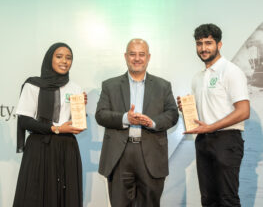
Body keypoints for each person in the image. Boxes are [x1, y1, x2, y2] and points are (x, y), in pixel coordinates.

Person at [95, 38, 178, 207]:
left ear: (148, 57)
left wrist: (152, 122)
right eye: (133, 54)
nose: (137, 58)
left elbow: (172, 114)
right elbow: (100, 114)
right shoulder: (110, 85)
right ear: (126, 56)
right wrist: (125, 118)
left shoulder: (163, 86)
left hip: (151, 153)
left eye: (142, 54)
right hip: (120, 154)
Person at [177, 24, 250, 207]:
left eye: (208, 43)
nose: (203, 48)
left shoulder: (231, 71)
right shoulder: (197, 77)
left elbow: (243, 111)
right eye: (199, 43)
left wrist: (211, 127)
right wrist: (185, 109)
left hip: (227, 141)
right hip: (203, 140)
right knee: (208, 200)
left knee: (227, 199)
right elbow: (205, 111)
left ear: (219, 44)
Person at [13, 42, 87, 207]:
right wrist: (55, 128)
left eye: (69, 58)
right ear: (49, 59)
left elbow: (76, 123)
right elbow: (25, 121)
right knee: (36, 195)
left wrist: (81, 110)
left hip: (67, 148)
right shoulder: (32, 85)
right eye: (59, 56)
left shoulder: (75, 88)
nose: (64, 61)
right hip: (40, 148)